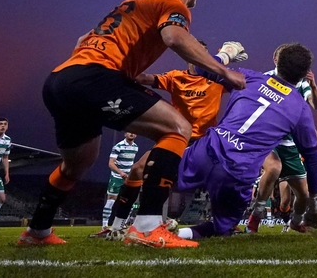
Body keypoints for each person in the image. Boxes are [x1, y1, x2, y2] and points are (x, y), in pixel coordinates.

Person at [18, 0, 246, 248]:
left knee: (76, 165)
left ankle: (37, 232)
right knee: (177, 127)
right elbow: (175, 38)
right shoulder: (173, 4)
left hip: (60, 80)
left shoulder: (133, 2)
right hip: (94, 78)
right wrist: (224, 70)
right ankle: (149, 227)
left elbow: (82, 39)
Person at [175, 43, 317, 239]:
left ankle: (143, 222)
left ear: (278, 63)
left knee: (154, 170)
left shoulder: (251, 77)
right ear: (305, 73)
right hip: (236, 171)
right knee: (223, 229)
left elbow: (200, 67)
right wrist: (314, 204)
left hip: (206, 150)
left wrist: (226, 54)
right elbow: (312, 158)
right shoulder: (300, 109)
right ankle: (179, 233)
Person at [101, 39, 245, 238]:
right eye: (194, 53)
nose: (199, 58)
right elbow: (144, 78)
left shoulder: (217, 79)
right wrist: (118, 71)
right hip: (178, 138)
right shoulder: (175, 77)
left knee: (226, 177)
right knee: (137, 170)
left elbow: (245, 84)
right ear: (188, 56)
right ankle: (116, 227)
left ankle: (229, 223)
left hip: (205, 142)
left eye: (203, 53)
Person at [246, 43, 317, 233]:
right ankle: (254, 218)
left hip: (291, 146)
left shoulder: (301, 82)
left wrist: (313, 85)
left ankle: (296, 221)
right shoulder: (265, 78)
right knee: (274, 168)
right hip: (268, 140)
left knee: (303, 195)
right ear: (276, 60)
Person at [100, 133, 138, 231]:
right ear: (125, 134)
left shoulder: (135, 147)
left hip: (128, 178)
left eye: (134, 132)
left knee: (129, 200)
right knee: (111, 200)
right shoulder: (118, 146)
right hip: (117, 177)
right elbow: (111, 163)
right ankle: (104, 225)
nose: (131, 134)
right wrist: (120, 172)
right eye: (129, 132)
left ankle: (123, 224)